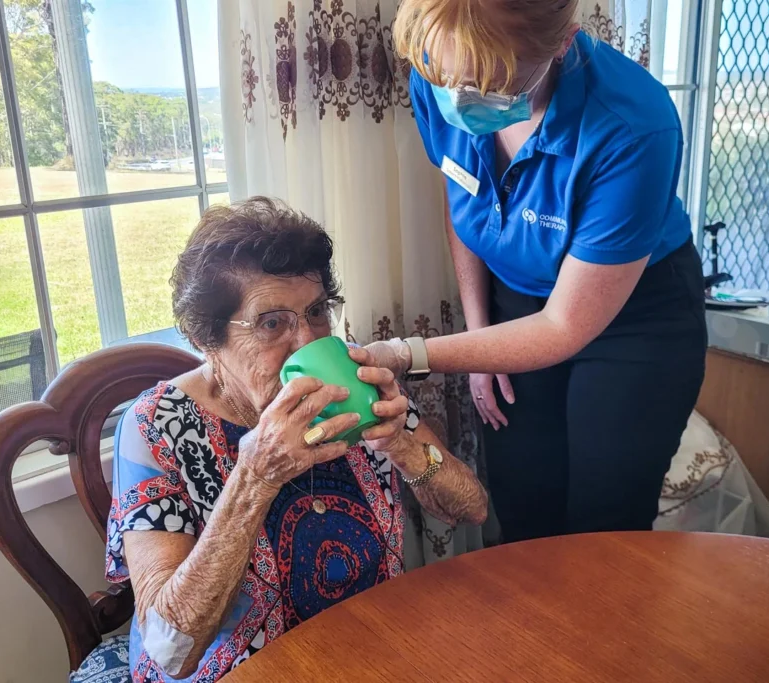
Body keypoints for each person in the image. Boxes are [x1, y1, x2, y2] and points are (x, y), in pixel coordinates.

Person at [365, 0, 707, 542]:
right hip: (516, 300)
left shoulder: (634, 125)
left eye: (490, 85)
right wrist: (482, 338)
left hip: (635, 316)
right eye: (446, 78)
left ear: (562, 44)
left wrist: (411, 354)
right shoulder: (442, 71)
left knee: (604, 528)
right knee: (523, 503)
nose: (457, 100)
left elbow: (564, 325)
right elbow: (469, 199)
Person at [105, 197, 487, 681]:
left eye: (316, 312)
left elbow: (470, 507)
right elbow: (171, 651)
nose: (307, 341)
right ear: (208, 339)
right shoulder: (156, 426)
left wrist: (405, 447)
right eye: (271, 323)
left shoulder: (356, 380)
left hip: (369, 653)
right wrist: (254, 478)